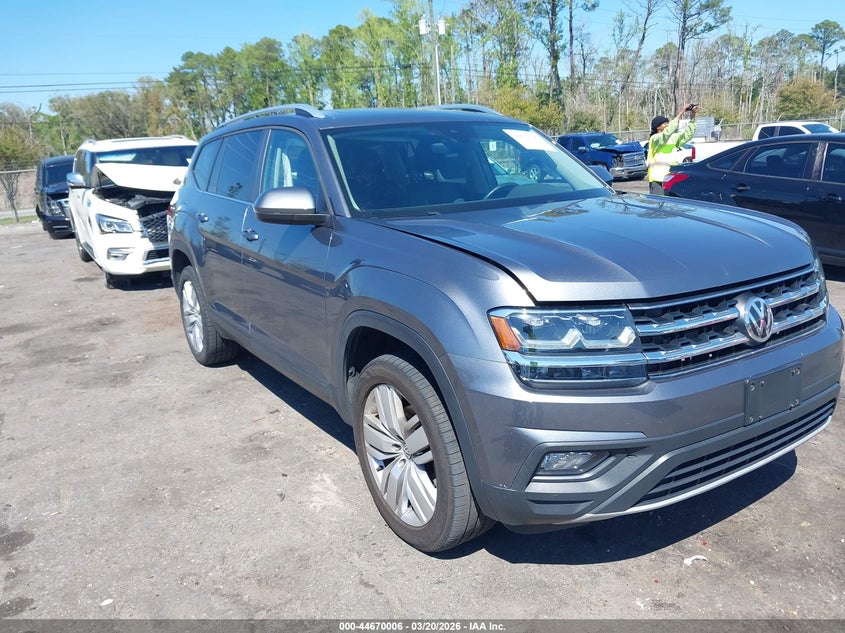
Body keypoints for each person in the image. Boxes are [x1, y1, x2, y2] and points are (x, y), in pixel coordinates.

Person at [647, 103, 698, 194]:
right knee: (658, 205)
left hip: (671, 178)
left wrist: (693, 116)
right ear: (658, 127)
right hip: (658, 179)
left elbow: (688, 134)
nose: (667, 125)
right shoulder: (655, 139)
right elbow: (667, 132)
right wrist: (681, 112)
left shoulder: (673, 138)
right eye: (665, 123)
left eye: (668, 123)